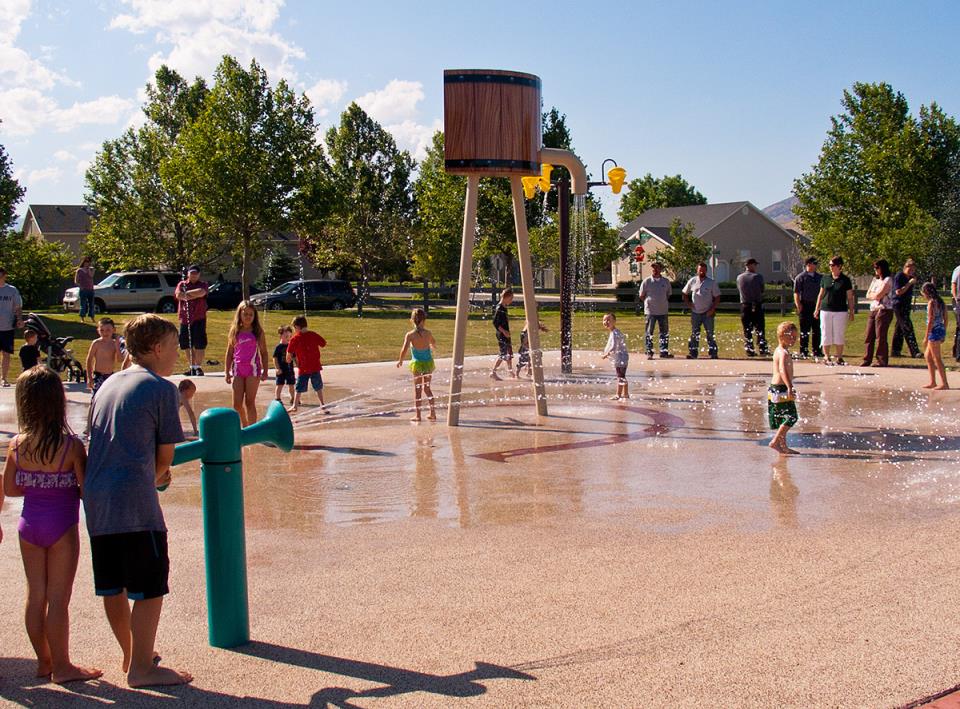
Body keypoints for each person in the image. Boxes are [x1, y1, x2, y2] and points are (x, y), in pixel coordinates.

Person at [84, 313, 192, 687]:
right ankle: (143, 670)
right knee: (150, 585)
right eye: (175, 347)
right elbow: (164, 459)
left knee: (114, 584)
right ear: (158, 348)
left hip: (97, 499)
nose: (177, 354)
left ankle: (132, 655)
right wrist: (161, 476)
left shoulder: (108, 385)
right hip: (134, 502)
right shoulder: (162, 389)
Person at [2, 367, 103, 683]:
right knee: (59, 599)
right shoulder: (70, 446)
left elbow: (10, 489)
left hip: (28, 525)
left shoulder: (17, 444)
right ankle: (63, 666)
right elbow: (87, 492)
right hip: (62, 527)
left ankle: (43, 662)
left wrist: (36, 486)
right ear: (58, 401)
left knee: (36, 595)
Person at [224, 301, 268, 427]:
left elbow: (264, 352)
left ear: (254, 316)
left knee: (250, 402)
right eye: (245, 314)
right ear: (240, 314)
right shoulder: (235, 331)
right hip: (238, 370)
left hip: (252, 370)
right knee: (237, 404)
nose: (248, 317)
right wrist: (227, 372)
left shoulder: (257, 332)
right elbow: (229, 353)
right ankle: (245, 426)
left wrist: (265, 371)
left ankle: (252, 430)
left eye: (251, 314)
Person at [396, 308, 437, 422]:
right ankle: (432, 413)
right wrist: (433, 346)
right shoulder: (428, 333)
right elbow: (433, 342)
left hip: (417, 365)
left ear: (412, 320)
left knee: (417, 390)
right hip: (428, 363)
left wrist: (400, 360)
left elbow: (404, 349)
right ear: (424, 320)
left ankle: (418, 415)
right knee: (427, 389)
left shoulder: (410, 335)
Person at [814, 256, 855, 365]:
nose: (830, 267)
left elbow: (850, 297)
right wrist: (817, 308)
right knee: (825, 332)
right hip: (826, 309)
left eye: (832, 265)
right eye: (830, 265)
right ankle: (826, 356)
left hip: (840, 310)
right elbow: (821, 294)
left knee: (839, 333)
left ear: (839, 266)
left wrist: (851, 311)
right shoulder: (825, 278)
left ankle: (839, 357)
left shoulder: (845, 280)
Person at [768, 322, 800, 455]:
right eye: (790, 337)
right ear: (781, 336)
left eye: (795, 337)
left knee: (783, 418)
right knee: (791, 417)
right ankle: (775, 441)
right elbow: (782, 369)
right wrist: (789, 386)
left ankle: (783, 446)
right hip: (780, 388)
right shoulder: (784, 353)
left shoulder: (778, 350)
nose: (793, 339)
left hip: (774, 389)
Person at [286, 315, 327, 412]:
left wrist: (288, 359)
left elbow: (289, 353)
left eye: (294, 328)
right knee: (318, 386)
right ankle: (322, 403)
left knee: (299, 387)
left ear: (297, 327)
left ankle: (295, 406)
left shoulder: (295, 339)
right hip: (315, 366)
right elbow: (323, 343)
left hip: (303, 368)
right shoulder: (313, 335)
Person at [682, 262, 721, 359]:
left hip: (708, 312)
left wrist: (712, 309)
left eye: (703, 270)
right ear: (697, 270)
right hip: (695, 312)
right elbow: (684, 293)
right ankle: (693, 353)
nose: (702, 272)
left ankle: (713, 353)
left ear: (706, 271)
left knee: (710, 333)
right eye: (700, 270)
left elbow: (717, 297)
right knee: (694, 333)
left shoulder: (711, 282)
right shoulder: (692, 281)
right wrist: (689, 304)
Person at [860, 259, 894, 367]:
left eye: (877, 267)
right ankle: (867, 359)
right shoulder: (875, 280)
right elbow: (868, 294)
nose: (875, 270)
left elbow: (879, 295)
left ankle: (881, 360)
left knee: (880, 336)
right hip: (874, 309)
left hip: (884, 309)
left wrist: (875, 295)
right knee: (869, 335)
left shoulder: (888, 280)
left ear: (882, 268)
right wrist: (874, 295)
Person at [176, 265, 209, 376]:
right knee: (186, 344)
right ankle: (192, 367)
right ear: (188, 274)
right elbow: (179, 295)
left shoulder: (203, 284)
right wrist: (193, 295)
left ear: (199, 274)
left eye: (196, 273)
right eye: (192, 273)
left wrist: (187, 295)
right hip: (185, 318)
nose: (194, 275)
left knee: (200, 343)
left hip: (199, 317)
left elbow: (202, 292)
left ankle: (198, 367)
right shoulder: (182, 284)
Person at [639, 261, 673, 359]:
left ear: (661, 269)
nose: (655, 270)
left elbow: (668, 294)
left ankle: (664, 352)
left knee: (664, 333)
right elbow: (641, 295)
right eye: (653, 268)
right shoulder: (647, 281)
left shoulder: (665, 282)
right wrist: (649, 302)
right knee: (649, 332)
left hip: (663, 311)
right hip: (650, 312)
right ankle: (649, 352)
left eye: (657, 268)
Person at [737, 258, 769, 357]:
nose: (755, 267)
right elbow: (762, 290)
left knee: (747, 329)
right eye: (755, 265)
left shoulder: (739, 277)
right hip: (756, 304)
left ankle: (749, 349)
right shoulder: (758, 277)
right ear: (751, 265)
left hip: (745, 305)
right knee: (760, 328)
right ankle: (762, 348)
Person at [793, 257, 824, 359]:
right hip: (805, 305)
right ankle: (804, 351)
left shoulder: (820, 277)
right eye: (814, 263)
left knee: (817, 329)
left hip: (817, 306)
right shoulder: (800, 277)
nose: (816, 265)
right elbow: (796, 293)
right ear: (808, 264)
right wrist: (799, 306)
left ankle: (817, 350)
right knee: (805, 330)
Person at [921, 283, 950, 390]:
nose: (922, 294)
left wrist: (926, 336)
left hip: (933, 331)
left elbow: (930, 321)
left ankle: (944, 384)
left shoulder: (931, 303)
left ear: (927, 292)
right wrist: (944, 332)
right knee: (928, 356)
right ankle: (933, 382)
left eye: (923, 292)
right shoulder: (941, 302)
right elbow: (946, 318)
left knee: (937, 358)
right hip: (940, 329)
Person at [890, 259, 921, 359]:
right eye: (909, 269)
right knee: (907, 326)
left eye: (913, 269)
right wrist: (909, 283)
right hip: (899, 304)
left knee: (900, 328)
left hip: (906, 304)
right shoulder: (900, 276)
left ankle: (895, 351)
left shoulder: (911, 277)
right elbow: (898, 292)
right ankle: (915, 351)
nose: (911, 271)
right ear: (905, 267)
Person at [86, 318, 122, 399]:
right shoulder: (96, 343)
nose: (105, 333)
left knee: (109, 398)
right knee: (96, 397)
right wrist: (89, 377)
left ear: (114, 330)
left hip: (110, 375)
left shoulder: (114, 344)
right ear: (98, 331)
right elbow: (89, 360)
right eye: (102, 330)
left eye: (108, 330)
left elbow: (120, 360)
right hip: (98, 375)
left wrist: (117, 347)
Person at [0, 266, 24, 386]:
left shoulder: (12, 290)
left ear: (4, 276)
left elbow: (17, 307)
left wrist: (19, 319)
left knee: (6, 354)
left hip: (7, 327)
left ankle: (3, 378)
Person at [600, 312, 629, 400]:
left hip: (620, 358)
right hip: (621, 358)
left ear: (614, 321)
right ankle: (626, 394)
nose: (606, 322)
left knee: (620, 377)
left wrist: (606, 354)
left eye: (609, 320)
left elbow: (614, 347)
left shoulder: (615, 333)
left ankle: (618, 395)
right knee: (622, 376)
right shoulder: (614, 332)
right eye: (604, 320)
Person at [490, 287, 515, 380]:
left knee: (509, 352)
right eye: (511, 298)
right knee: (503, 353)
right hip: (502, 334)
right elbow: (495, 322)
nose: (512, 300)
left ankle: (510, 372)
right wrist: (504, 331)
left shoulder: (504, 307)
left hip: (505, 333)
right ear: (506, 297)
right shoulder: (499, 307)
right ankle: (493, 372)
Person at [273, 326, 296, 405]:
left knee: (291, 384)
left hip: (289, 369)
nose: (288, 338)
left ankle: (293, 398)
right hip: (281, 369)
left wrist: (298, 364)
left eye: (290, 336)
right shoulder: (278, 347)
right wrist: (277, 368)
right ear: (280, 336)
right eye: (286, 336)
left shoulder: (291, 346)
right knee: (279, 384)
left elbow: (294, 356)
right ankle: (277, 398)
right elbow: (275, 358)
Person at [74, 256, 95, 323]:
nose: (88, 264)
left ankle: (92, 317)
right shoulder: (79, 270)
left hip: (91, 289)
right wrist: (80, 286)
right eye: (87, 262)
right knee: (83, 304)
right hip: (83, 290)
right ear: (84, 262)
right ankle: (82, 318)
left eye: (89, 262)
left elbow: (91, 276)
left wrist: (89, 270)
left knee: (91, 304)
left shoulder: (90, 270)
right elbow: (76, 281)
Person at [951, 262, 960, 362]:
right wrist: (955, 297)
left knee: (958, 327)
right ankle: (958, 354)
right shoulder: (958, 269)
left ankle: (955, 351)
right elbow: (954, 284)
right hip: (959, 301)